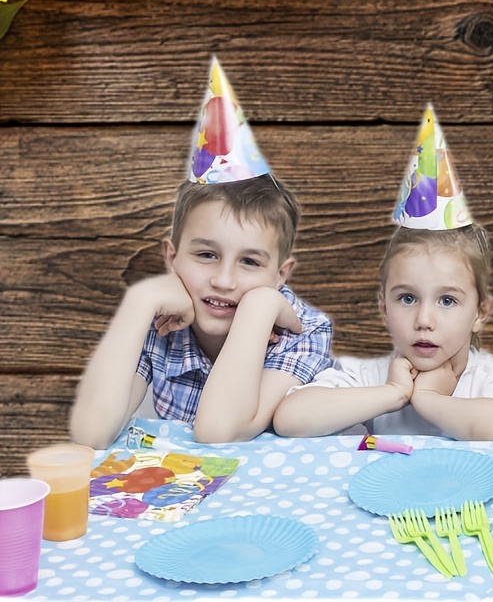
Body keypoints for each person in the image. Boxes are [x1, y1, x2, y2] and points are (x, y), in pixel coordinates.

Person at [70, 59, 332, 449]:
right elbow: (90, 435)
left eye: (250, 262)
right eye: (206, 255)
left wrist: (261, 305)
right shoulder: (159, 327)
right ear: (171, 256)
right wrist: (140, 299)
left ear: (282, 274)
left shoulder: (304, 331)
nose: (224, 280)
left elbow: (219, 431)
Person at [273, 107, 493, 441]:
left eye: (447, 300)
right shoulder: (366, 375)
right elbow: (290, 419)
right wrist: (394, 393)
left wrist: (428, 399)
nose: (424, 319)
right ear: (384, 308)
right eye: (407, 298)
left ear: (480, 313)